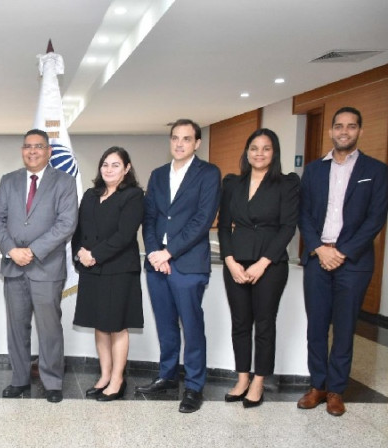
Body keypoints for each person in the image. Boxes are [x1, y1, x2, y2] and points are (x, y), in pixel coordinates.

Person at [297, 106, 388, 416]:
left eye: (351, 126)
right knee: (316, 327)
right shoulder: (313, 170)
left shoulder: (375, 171)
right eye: (339, 126)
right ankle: (317, 385)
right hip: (318, 257)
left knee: (346, 327)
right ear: (331, 131)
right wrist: (319, 249)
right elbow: (304, 214)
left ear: (359, 131)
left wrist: (342, 251)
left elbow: (375, 219)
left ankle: (336, 390)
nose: (344, 131)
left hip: (353, 261)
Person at [136, 119, 221, 413]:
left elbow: (202, 220)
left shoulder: (209, 173)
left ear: (197, 143)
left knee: (192, 325)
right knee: (166, 325)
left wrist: (168, 252)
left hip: (187, 264)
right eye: (175, 138)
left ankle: (195, 386)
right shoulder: (158, 175)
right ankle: (168, 376)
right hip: (157, 264)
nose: (180, 143)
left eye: (187, 139)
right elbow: (148, 217)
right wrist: (154, 252)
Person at [0, 129, 78, 403]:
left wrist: (32, 251)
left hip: (47, 268)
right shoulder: (9, 180)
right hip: (14, 267)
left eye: (38, 146)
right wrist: (11, 250)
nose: (32, 151)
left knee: (49, 328)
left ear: (48, 151)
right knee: (16, 328)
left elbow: (66, 224)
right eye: (27, 146)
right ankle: (19, 379)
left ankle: (52, 382)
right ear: (22, 150)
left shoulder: (64, 182)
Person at [218, 128, 299, 408]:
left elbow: (288, 227)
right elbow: (224, 227)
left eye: (266, 148)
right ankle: (242, 378)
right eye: (254, 147)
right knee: (240, 323)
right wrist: (229, 261)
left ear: (274, 152)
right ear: (247, 151)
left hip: (271, 264)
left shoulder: (287, 184)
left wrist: (264, 263)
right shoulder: (232, 184)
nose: (259, 153)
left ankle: (259, 381)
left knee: (264, 325)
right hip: (236, 263)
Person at [72, 146, 144, 402]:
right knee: (100, 325)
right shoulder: (91, 195)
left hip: (118, 269)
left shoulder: (134, 196)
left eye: (115, 165)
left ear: (126, 168)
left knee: (117, 325)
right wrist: (80, 252)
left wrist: (95, 255)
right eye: (105, 164)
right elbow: (78, 229)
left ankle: (117, 379)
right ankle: (104, 375)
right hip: (91, 270)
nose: (109, 169)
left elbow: (125, 235)